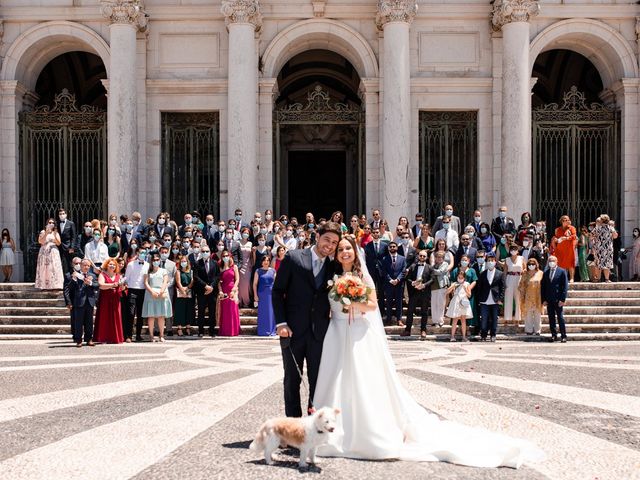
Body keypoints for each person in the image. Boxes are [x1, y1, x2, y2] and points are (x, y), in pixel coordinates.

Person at [312, 236, 543, 467]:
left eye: (348, 249)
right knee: (336, 379)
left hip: (358, 334)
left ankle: (365, 432)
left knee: (362, 380)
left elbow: (372, 305)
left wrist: (353, 302)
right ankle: (328, 431)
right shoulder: (332, 276)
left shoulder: (364, 276)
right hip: (336, 334)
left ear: (355, 252)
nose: (344, 252)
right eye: (340, 249)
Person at [272, 222, 340, 417]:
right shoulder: (293, 258)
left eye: (334, 242)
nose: (330, 245)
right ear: (317, 236)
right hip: (292, 330)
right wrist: (281, 323)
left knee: (318, 380)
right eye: (327, 239)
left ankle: (313, 426)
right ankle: (293, 425)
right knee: (292, 379)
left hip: (320, 333)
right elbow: (277, 292)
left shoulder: (333, 267)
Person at [63, 258, 98, 347]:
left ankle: (89, 339)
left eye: (88, 266)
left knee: (89, 322)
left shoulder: (92, 275)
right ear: (81, 266)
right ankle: (78, 340)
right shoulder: (75, 275)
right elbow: (69, 288)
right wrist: (74, 279)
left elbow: (97, 285)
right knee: (78, 322)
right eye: (85, 265)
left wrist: (90, 283)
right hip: (79, 301)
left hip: (89, 301)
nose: (86, 267)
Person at [401, 250, 433, 339]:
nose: (422, 257)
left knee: (424, 312)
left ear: (426, 258)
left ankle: (423, 330)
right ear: (418, 256)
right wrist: (412, 283)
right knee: (410, 311)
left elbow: (432, 279)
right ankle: (407, 330)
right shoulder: (413, 266)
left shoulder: (430, 267)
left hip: (424, 293)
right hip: (414, 292)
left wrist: (424, 285)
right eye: (421, 256)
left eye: (424, 256)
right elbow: (407, 278)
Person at [142, 252, 172, 342]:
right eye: (154, 260)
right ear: (151, 261)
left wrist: (161, 291)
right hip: (150, 293)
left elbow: (165, 281)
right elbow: (146, 283)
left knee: (161, 316)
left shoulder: (163, 271)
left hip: (162, 293)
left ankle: (161, 335)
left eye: (157, 260)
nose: (156, 261)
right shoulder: (147, 271)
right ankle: (151, 336)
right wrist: (152, 292)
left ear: (160, 260)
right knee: (151, 316)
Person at [93, 258, 125, 344]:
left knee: (115, 317)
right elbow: (101, 285)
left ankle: (115, 338)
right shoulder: (102, 274)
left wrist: (122, 287)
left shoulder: (118, 275)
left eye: (114, 265)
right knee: (104, 317)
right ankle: (103, 337)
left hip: (115, 298)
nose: (112, 266)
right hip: (105, 298)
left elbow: (122, 287)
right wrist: (112, 285)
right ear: (107, 265)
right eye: (110, 264)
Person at [476, 253, 504, 342]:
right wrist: (479, 300)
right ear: (486, 262)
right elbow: (479, 287)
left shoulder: (500, 274)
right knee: (484, 319)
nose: (490, 262)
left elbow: (502, 287)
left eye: (492, 261)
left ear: (495, 262)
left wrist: (500, 299)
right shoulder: (482, 274)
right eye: (488, 261)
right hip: (484, 300)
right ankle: (483, 334)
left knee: (494, 319)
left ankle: (493, 334)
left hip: (495, 300)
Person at [541, 255, 569, 343]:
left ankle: (563, 336)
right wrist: (544, 299)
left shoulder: (562, 271)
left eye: (553, 260)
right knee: (551, 318)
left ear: (557, 262)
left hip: (558, 299)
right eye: (550, 261)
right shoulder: (546, 272)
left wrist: (563, 299)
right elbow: (543, 287)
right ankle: (554, 335)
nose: (551, 262)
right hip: (549, 299)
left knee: (560, 318)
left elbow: (565, 286)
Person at [194, 245, 220, 337]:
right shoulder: (197, 263)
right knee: (201, 312)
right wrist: (206, 286)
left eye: (207, 251)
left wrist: (211, 286)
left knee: (212, 312)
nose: (205, 253)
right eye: (203, 251)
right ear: (201, 253)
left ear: (210, 252)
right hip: (202, 291)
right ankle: (200, 331)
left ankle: (211, 331)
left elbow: (217, 276)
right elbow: (196, 277)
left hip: (212, 292)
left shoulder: (215, 263)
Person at [380, 241, 406, 326]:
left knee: (399, 302)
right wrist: (390, 280)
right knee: (389, 302)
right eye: (390, 247)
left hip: (399, 284)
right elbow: (384, 271)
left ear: (397, 248)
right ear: (388, 248)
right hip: (388, 284)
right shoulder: (384, 259)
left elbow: (403, 270)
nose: (392, 248)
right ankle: (388, 319)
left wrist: (398, 279)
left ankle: (399, 320)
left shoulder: (402, 258)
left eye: (394, 246)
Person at [35, 219, 64, 290]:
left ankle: (55, 285)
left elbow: (59, 243)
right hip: (44, 252)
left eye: (53, 223)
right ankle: (44, 286)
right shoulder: (43, 232)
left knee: (54, 267)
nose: (51, 224)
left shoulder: (56, 233)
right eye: (49, 222)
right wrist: (46, 234)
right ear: (46, 223)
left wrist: (54, 235)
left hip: (53, 252)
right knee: (44, 268)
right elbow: (40, 241)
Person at [446, 270, 473, 342]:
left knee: (463, 320)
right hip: (456, 302)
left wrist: (465, 288)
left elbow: (469, 295)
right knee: (455, 319)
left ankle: (464, 337)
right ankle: (452, 336)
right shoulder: (454, 283)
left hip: (464, 302)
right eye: (459, 277)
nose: (460, 279)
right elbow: (447, 292)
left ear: (464, 278)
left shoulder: (467, 284)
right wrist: (452, 287)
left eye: (461, 278)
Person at [218, 250, 240, 336]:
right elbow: (219, 282)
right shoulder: (220, 268)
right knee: (225, 311)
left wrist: (234, 289)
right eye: (223, 256)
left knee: (233, 310)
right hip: (224, 291)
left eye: (227, 255)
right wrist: (220, 290)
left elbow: (237, 279)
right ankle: (225, 331)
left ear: (230, 256)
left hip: (232, 290)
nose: (225, 257)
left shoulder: (234, 267)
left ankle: (233, 330)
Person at [519, 258, 543, 336]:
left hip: (538, 296)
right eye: (529, 264)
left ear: (536, 265)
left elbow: (544, 285)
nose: (531, 266)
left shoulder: (540, 273)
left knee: (537, 314)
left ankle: (537, 330)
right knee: (528, 314)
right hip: (527, 296)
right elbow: (521, 285)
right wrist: (522, 295)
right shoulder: (525, 274)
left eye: (533, 264)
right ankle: (528, 330)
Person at [254, 255, 276, 336]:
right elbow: (255, 284)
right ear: (262, 262)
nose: (266, 262)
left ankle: (271, 330)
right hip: (262, 294)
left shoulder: (273, 271)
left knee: (271, 312)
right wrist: (255, 295)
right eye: (264, 260)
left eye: (267, 260)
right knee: (262, 312)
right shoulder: (258, 271)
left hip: (271, 294)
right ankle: (262, 331)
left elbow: (276, 283)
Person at [591, 214, 617, 282]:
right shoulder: (610, 227)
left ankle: (598, 279)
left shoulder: (597, 227)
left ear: (602, 220)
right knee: (607, 264)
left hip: (599, 248)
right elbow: (615, 236)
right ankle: (607, 279)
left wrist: (596, 238)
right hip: (608, 248)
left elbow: (591, 237)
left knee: (598, 264)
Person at [551, 215, 577, 283]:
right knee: (561, 264)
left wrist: (566, 238)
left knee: (570, 264)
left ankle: (571, 278)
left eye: (567, 220)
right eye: (565, 220)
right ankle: (563, 278)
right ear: (562, 221)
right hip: (560, 249)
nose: (566, 221)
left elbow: (574, 236)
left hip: (569, 249)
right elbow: (556, 239)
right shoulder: (557, 229)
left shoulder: (572, 228)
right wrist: (556, 240)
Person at [174, 254, 194, 337]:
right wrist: (183, 290)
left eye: (185, 261)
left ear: (187, 262)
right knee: (180, 311)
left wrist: (187, 288)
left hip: (189, 291)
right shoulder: (178, 271)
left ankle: (188, 328)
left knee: (189, 310)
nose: (183, 263)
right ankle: (179, 328)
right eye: (182, 261)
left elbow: (192, 280)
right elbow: (178, 282)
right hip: (180, 291)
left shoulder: (191, 271)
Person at [503, 244, 524, 323]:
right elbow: (505, 272)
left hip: (519, 278)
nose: (513, 250)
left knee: (518, 299)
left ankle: (517, 319)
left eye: (515, 249)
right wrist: (504, 282)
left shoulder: (521, 258)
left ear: (518, 250)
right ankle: (507, 319)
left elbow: (525, 269)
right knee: (508, 298)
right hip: (509, 278)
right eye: (512, 249)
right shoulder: (507, 259)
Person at [430, 251, 450, 327]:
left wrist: (430, 269)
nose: (439, 258)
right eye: (437, 257)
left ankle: (440, 321)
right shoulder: (434, 265)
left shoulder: (445, 264)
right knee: (434, 304)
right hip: (433, 286)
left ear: (443, 258)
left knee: (441, 304)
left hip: (441, 286)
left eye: (440, 257)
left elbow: (440, 272)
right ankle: (435, 321)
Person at [56, 208, 76, 274]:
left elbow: (73, 236)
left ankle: (71, 280)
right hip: (58, 246)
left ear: (66, 214)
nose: (62, 215)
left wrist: (72, 247)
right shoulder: (57, 223)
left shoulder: (71, 223)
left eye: (63, 214)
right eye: (60, 214)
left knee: (70, 264)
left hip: (68, 247)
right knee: (58, 264)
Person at [237, 227, 253, 307]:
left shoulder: (250, 243)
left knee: (246, 284)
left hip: (248, 266)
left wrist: (251, 265)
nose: (245, 234)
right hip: (239, 266)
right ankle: (239, 301)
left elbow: (252, 256)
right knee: (239, 284)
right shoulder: (237, 243)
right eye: (244, 233)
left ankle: (246, 302)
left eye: (247, 233)